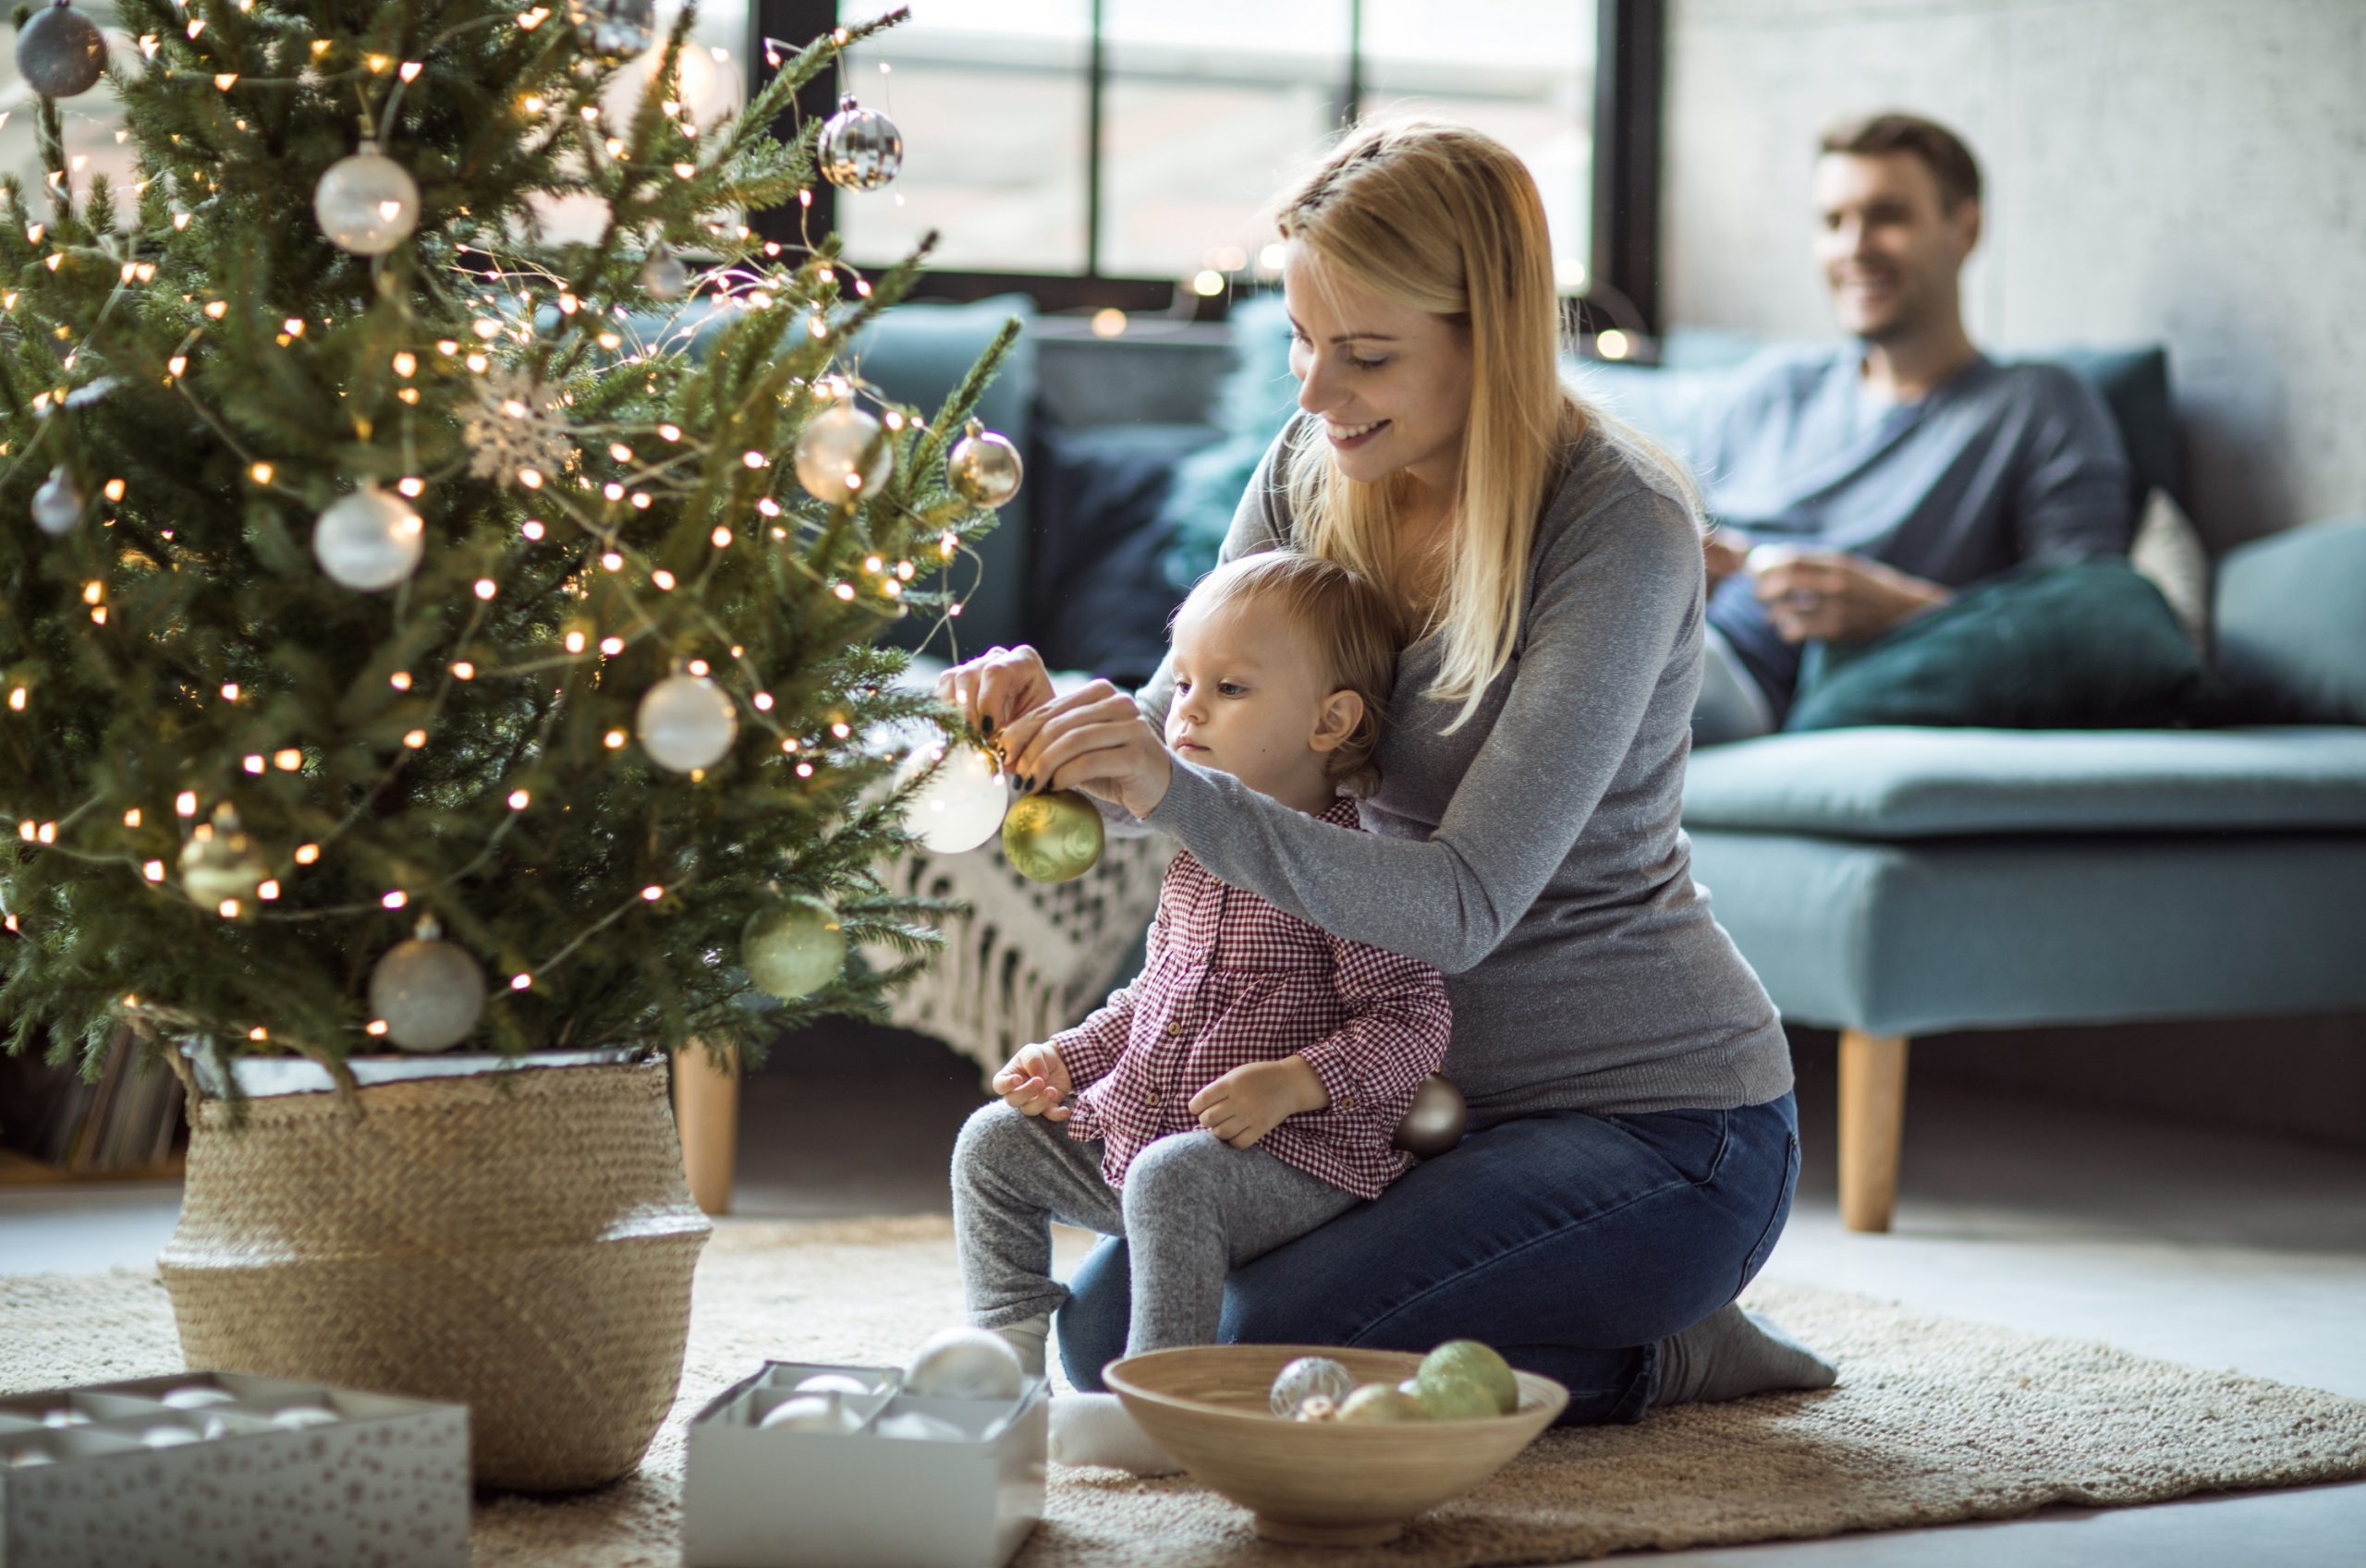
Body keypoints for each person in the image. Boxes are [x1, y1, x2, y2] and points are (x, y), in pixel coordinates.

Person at [939, 117, 1834, 1435]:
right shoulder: (1317, 467)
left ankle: (1662, 1347)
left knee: (1249, 1349)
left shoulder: (1619, 523)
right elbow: (1178, 727)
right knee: (1105, 1341)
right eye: (1301, 337)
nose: (1313, 390)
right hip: (1376, 1112)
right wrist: (1045, 732)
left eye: (1364, 353)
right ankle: (1568, 1308)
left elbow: (1463, 906)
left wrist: (1170, 789)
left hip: (1650, 1122)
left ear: (1496, 336)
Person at [950, 551, 1453, 1474]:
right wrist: (1070, 1057)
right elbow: (1155, 996)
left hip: (1295, 1158)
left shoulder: (1347, 865)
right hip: (1157, 1131)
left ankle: (1161, 1401)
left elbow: (1411, 1018)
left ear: (1329, 720)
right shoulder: (1194, 851)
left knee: (1174, 1179)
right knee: (992, 1143)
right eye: (1181, 682)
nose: (1183, 710)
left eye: (1227, 687)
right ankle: (1008, 1384)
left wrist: (1297, 1082)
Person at [1689, 112, 2136, 743]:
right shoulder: (1770, 390)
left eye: (1887, 216)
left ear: (1965, 228)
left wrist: (1904, 611)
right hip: (1663, 637)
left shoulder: (2038, 406)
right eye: (1833, 222)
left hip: (1748, 682)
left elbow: (2093, 640)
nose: (1855, 247)